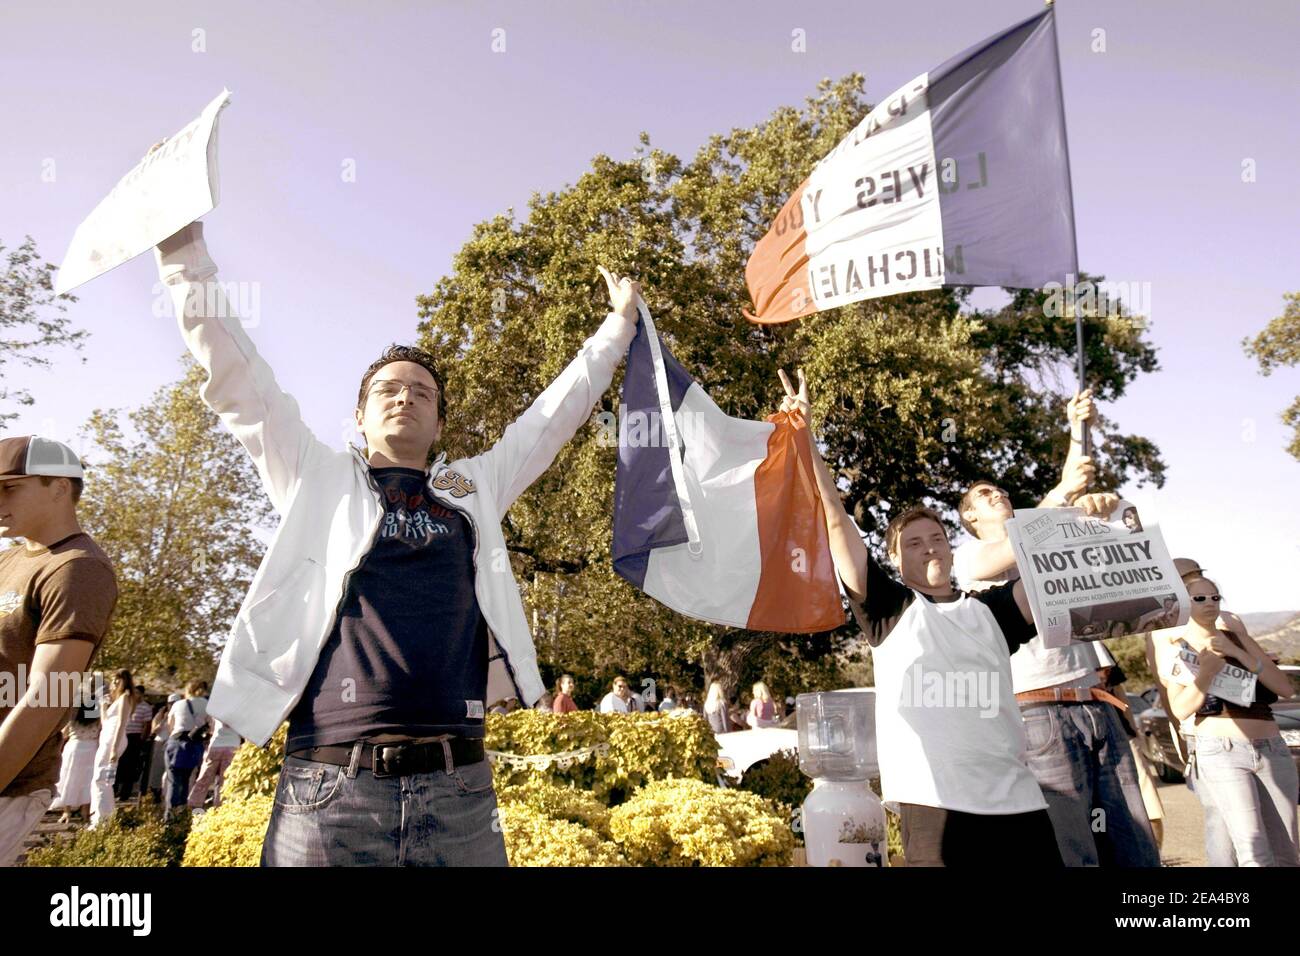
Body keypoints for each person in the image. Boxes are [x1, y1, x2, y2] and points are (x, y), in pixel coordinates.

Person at [150, 209, 641, 866]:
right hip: (327, 791)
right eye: (387, 389)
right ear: (358, 414)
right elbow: (239, 377)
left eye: (422, 392)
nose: (404, 397)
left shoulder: (474, 489)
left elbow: (551, 419)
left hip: (461, 787)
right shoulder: (315, 475)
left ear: (439, 423)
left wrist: (618, 329)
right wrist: (183, 251)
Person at [784, 368, 1061, 867]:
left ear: (952, 550)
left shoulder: (992, 611)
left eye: (936, 538)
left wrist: (1085, 515)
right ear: (895, 561)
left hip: (1020, 803)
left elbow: (1054, 574)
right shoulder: (890, 610)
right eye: (912, 543)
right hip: (935, 806)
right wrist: (806, 441)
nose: (928, 546)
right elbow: (834, 519)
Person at [949, 389, 1160, 867]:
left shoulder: (1048, 529)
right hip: (1040, 714)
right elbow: (1035, 528)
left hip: (1097, 707)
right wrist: (1066, 495)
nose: (997, 493)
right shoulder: (969, 559)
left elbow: (1075, 488)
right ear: (969, 517)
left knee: (1134, 848)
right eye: (984, 495)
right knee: (1072, 850)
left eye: (999, 489)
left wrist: (1077, 429)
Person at [0, 436, 118, 866]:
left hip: (10, 785)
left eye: (10, 487)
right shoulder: (10, 560)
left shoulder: (77, 568)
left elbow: (47, 696)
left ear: (60, 488)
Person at [1153, 575, 1298, 866]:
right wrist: (1205, 673)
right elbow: (1180, 708)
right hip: (1222, 750)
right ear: (1183, 603)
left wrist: (1238, 648)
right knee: (1253, 849)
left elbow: (1284, 688)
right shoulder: (1174, 645)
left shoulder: (1236, 637)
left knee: (1287, 850)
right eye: (1200, 598)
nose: (1210, 604)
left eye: (1215, 597)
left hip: (1271, 747)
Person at [160, 681, 211, 818]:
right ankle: (182, 813)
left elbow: (170, 725)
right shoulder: (207, 705)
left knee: (173, 781)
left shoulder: (178, 704)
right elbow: (210, 725)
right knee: (187, 780)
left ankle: (170, 816)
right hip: (194, 745)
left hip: (176, 743)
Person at [89, 669, 132, 826]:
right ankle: (103, 815)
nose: (115, 683)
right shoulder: (117, 699)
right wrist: (103, 706)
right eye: (114, 680)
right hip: (107, 736)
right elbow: (105, 721)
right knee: (101, 777)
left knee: (102, 778)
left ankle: (103, 818)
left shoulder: (125, 698)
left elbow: (121, 723)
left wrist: (114, 747)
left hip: (114, 739)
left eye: (118, 680)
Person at [51, 692, 99, 826]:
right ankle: (85, 812)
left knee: (69, 779)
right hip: (91, 748)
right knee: (87, 780)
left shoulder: (73, 717)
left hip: (74, 747)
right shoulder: (97, 718)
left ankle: (67, 811)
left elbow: (64, 733)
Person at [187, 717, 241, 811]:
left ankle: (194, 807)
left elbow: (211, 728)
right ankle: (220, 809)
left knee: (204, 778)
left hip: (216, 746)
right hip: (233, 746)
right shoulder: (240, 709)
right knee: (224, 781)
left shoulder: (216, 709)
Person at [115, 682, 154, 801]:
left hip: (134, 738)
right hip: (123, 735)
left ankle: (125, 793)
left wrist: (142, 739)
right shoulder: (127, 704)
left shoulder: (145, 707)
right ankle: (114, 789)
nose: (135, 695)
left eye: (137, 693)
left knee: (130, 766)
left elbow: (147, 725)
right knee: (118, 764)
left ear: (141, 694)